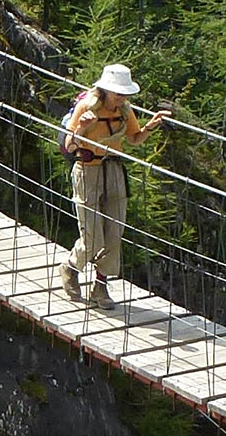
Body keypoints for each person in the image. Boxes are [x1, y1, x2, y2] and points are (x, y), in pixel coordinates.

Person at [60, 63, 169, 308]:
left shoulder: (125, 110)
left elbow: (134, 139)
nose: (121, 97)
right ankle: (70, 267)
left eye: (124, 93)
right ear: (106, 90)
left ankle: (100, 287)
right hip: (87, 169)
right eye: (117, 92)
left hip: (113, 169)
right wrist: (82, 127)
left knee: (114, 231)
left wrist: (150, 126)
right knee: (92, 237)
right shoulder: (86, 107)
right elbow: (69, 145)